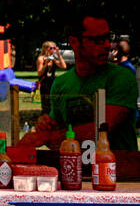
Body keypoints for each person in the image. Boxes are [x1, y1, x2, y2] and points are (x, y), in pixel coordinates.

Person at [40, 13, 138, 151]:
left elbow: (101, 129)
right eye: (97, 40)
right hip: (75, 170)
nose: (107, 45)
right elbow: (58, 141)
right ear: (74, 42)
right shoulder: (61, 84)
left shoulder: (122, 78)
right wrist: (46, 127)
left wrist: (48, 137)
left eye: (107, 38)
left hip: (118, 170)